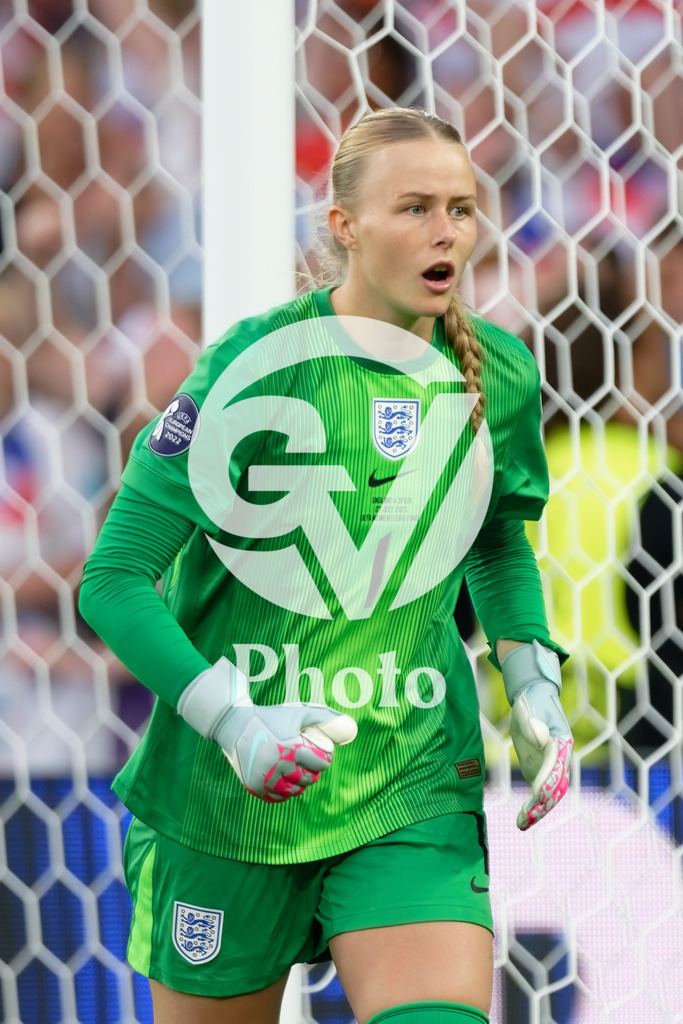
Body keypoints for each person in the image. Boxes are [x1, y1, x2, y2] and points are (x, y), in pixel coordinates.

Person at [79, 106, 573, 1024]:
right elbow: (111, 582)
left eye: (460, 209)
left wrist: (528, 678)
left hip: (407, 776)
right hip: (227, 800)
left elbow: (496, 537)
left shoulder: (495, 373)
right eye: (415, 207)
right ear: (344, 226)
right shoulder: (254, 369)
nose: (445, 232)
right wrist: (234, 724)